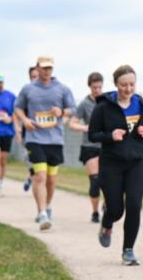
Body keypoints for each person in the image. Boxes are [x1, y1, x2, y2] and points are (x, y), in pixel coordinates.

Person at [88, 65, 143, 265]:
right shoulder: (103, 106)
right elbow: (92, 134)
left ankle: (128, 250)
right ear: (116, 85)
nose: (128, 89)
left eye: (132, 84)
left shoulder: (141, 104)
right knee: (116, 210)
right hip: (111, 164)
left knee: (134, 205)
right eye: (124, 85)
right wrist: (110, 136)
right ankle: (107, 223)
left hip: (136, 163)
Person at [15, 56, 75, 230]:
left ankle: (47, 206)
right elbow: (18, 107)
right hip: (35, 138)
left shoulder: (62, 89)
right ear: (38, 68)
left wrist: (62, 111)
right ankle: (42, 213)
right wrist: (25, 120)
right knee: (40, 176)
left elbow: (72, 109)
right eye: (44, 68)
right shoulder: (28, 89)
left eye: (50, 68)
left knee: (51, 179)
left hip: (55, 139)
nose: (47, 71)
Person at [69, 72, 105, 223]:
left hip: (106, 145)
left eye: (99, 87)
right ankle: (95, 212)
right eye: (94, 87)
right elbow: (72, 123)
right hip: (89, 146)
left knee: (109, 180)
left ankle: (107, 204)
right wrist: (86, 128)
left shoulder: (107, 101)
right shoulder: (84, 104)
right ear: (89, 87)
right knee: (95, 181)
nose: (97, 90)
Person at [21, 64, 40, 193]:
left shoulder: (50, 93)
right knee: (31, 159)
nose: (35, 79)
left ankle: (31, 177)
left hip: (46, 134)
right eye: (33, 77)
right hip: (29, 133)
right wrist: (18, 128)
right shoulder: (26, 92)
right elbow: (17, 111)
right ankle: (32, 177)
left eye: (37, 76)